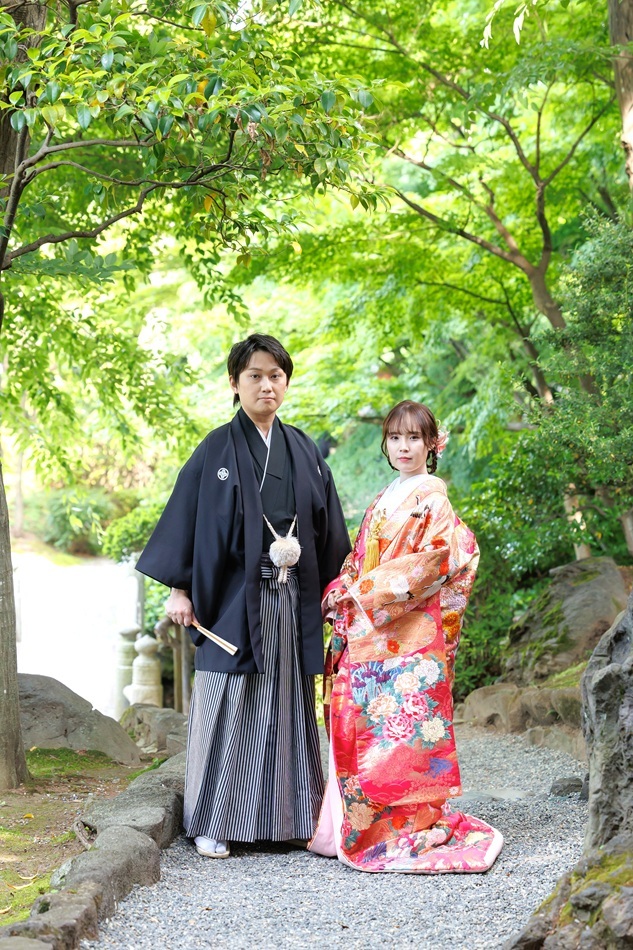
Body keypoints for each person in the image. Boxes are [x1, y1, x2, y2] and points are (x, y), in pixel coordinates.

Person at [136, 334, 350, 858]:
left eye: (276, 376)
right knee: (228, 698)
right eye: (255, 375)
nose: (266, 385)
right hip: (233, 596)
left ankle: (290, 820)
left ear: (286, 383)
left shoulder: (303, 449)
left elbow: (328, 529)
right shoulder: (216, 448)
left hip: (291, 596)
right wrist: (180, 589)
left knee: (288, 702)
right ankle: (214, 821)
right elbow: (187, 519)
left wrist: (336, 593)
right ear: (235, 383)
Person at [309, 400, 503, 873]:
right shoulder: (387, 495)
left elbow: (433, 563)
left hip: (407, 636)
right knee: (355, 724)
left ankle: (407, 827)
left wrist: (362, 594)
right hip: (369, 629)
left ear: (432, 444)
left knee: (403, 736)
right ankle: (353, 825)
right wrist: (341, 589)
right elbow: (360, 557)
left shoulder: (434, 499)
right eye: (395, 438)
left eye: (414, 438)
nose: (403, 447)